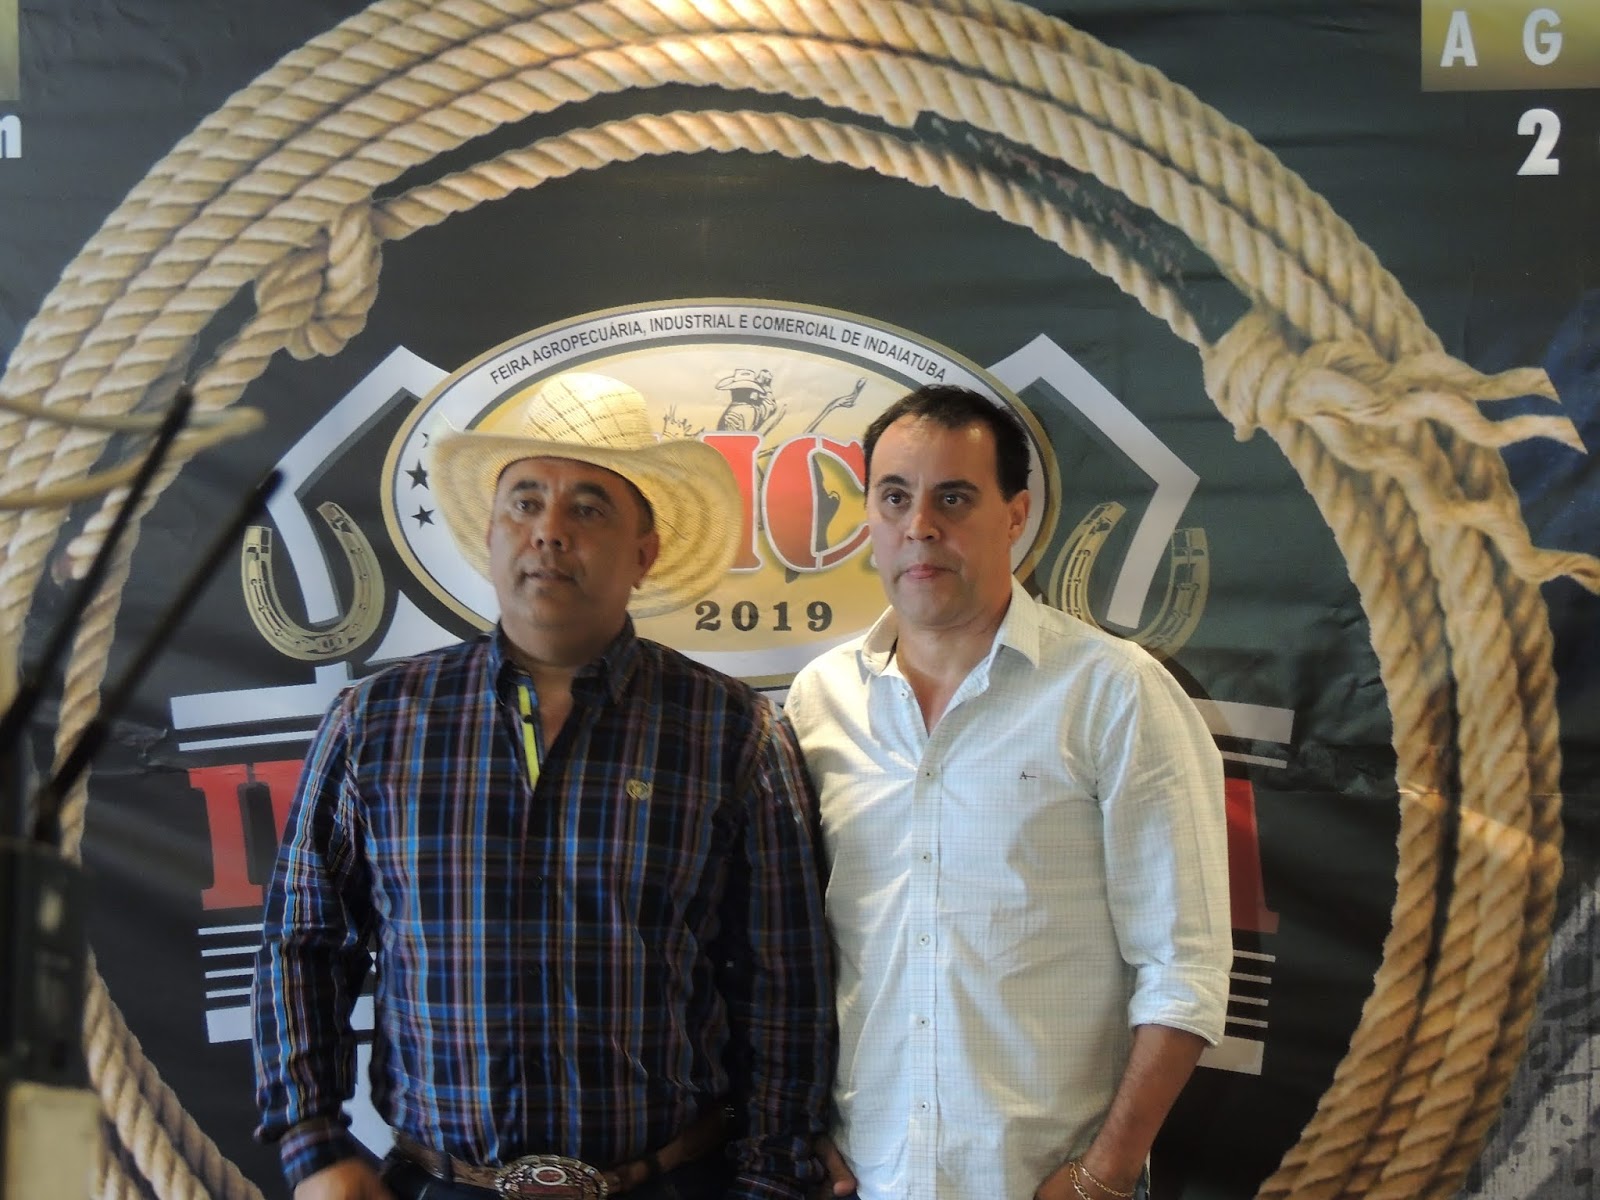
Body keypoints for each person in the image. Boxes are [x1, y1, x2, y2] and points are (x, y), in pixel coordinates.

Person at [252, 373, 835, 1200]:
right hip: (440, 1186)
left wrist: (772, 1179)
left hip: (672, 1184)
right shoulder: (375, 722)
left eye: (588, 508)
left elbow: (784, 981)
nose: (549, 531)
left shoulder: (732, 732)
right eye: (524, 503)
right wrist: (313, 1144)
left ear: (643, 554)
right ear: (492, 535)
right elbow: (302, 943)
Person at [783, 385, 1231, 1200]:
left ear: (1016, 515)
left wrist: (1105, 1175)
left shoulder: (1114, 693)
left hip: (1044, 1180)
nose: (921, 526)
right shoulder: (819, 701)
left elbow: (1185, 967)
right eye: (895, 497)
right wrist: (808, 1130)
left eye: (954, 498)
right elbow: (791, 952)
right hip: (868, 1174)